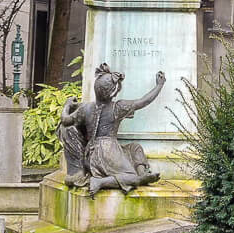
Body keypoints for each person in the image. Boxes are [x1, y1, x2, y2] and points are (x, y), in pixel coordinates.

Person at [58, 63, 165, 196]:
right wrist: (159, 85)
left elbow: (65, 120)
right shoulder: (117, 108)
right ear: (113, 93)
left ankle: (143, 173)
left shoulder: (85, 108)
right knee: (130, 177)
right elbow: (143, 101)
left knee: (134, 148)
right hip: (107, 150)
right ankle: (102, 182)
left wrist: (67, 105)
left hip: (92, 151)